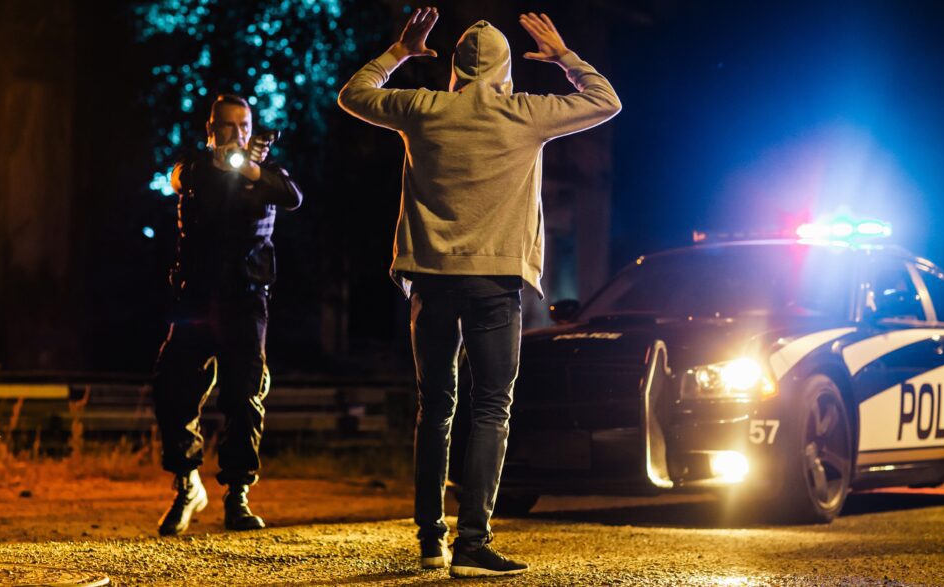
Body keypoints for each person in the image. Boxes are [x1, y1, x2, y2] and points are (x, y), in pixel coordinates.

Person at [337, 7, 620, 577]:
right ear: (505, 69)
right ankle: (472, 543)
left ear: (456, 69)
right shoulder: (525, 114)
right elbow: (605, 100)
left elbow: (353, 95)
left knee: (435, 408)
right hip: (494, 282)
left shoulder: (423, 108)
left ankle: (429, 539)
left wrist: (400, 51)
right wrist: (564, 57)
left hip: (431, 279)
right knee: (491, 408)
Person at [152, 94, 302, 536]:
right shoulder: (196, 168)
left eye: (244, 126)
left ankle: (237, 495)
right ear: (211, 130)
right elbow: (177, 177)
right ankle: (187, 483)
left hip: (245, 298)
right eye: (227, 126)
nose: (237, 134)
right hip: (195, 298)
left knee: (243, 395)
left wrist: (251, 171)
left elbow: (292, 196)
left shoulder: (267, 173)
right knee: (173, 386)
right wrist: (217, 168)